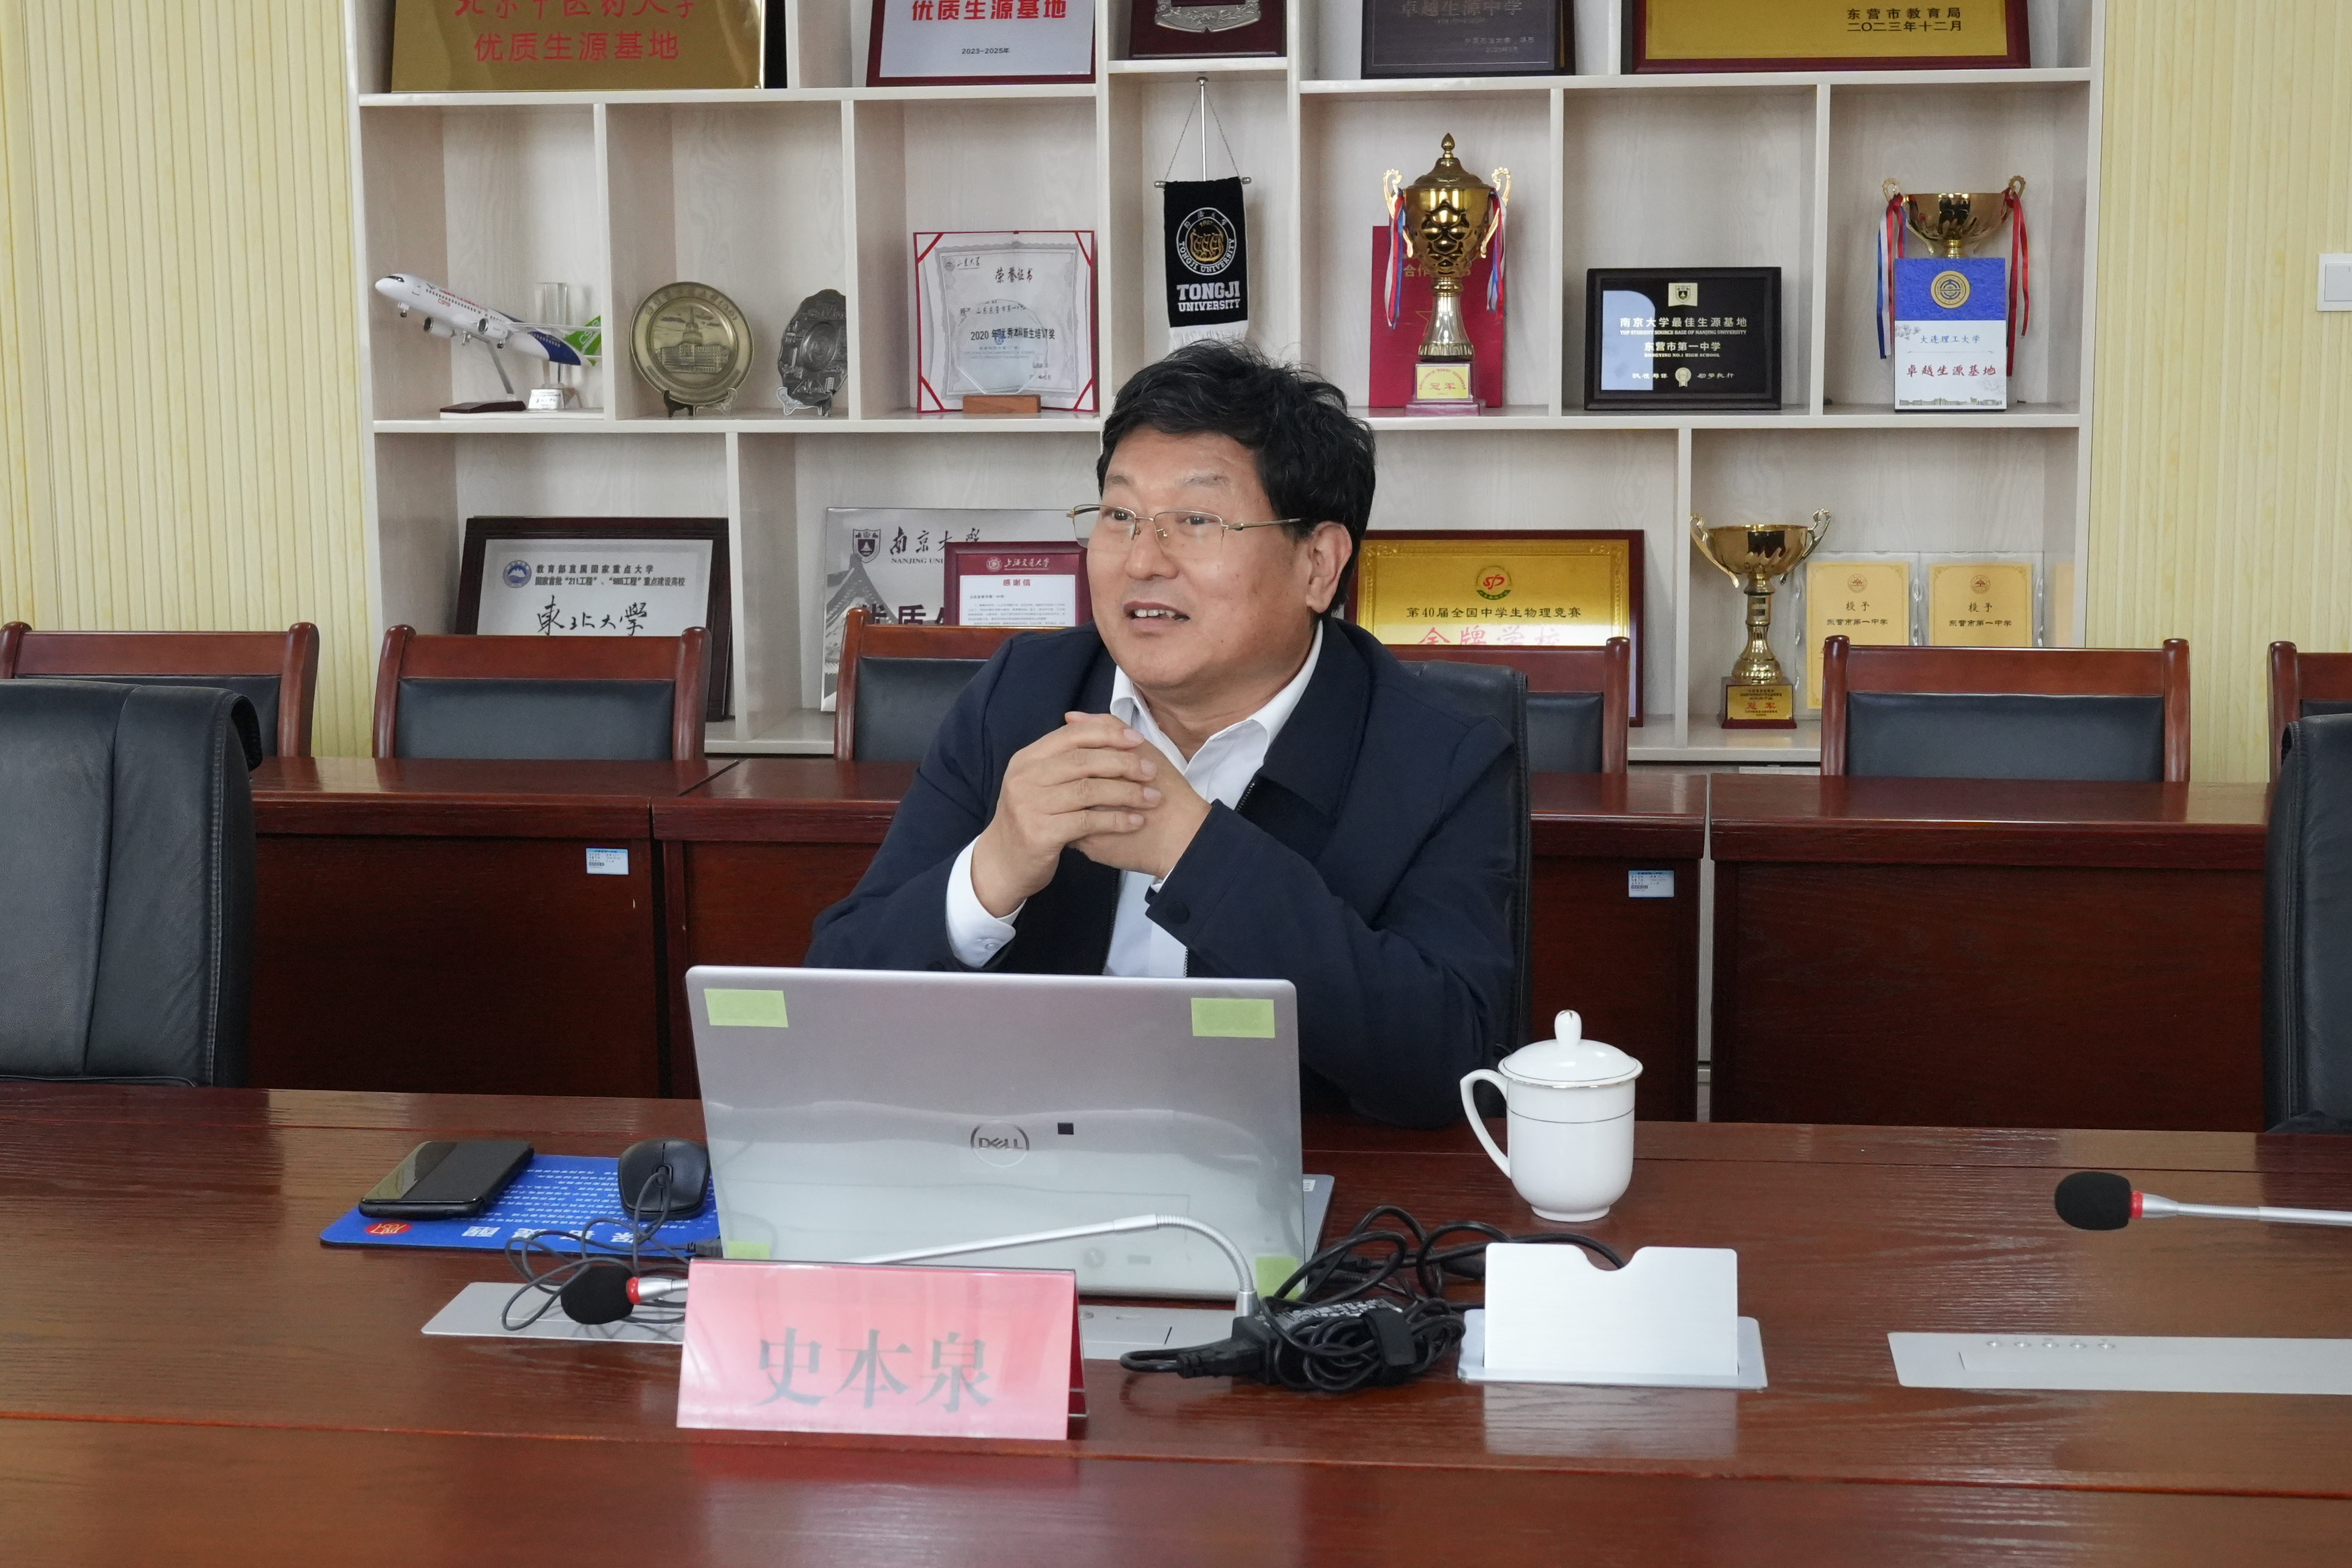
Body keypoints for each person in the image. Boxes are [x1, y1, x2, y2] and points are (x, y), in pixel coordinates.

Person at [805, 342, 1514, 1126]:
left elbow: (1452, 1060)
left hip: (1299, 1175)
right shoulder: (1023, 694)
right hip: (1026, 1154)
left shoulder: (1440, 757)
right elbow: (836, 999)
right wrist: (992, 869)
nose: (1142, 559)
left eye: (1196, 521)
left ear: (1318, 564)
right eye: (1120, 516)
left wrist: (1195, 853)